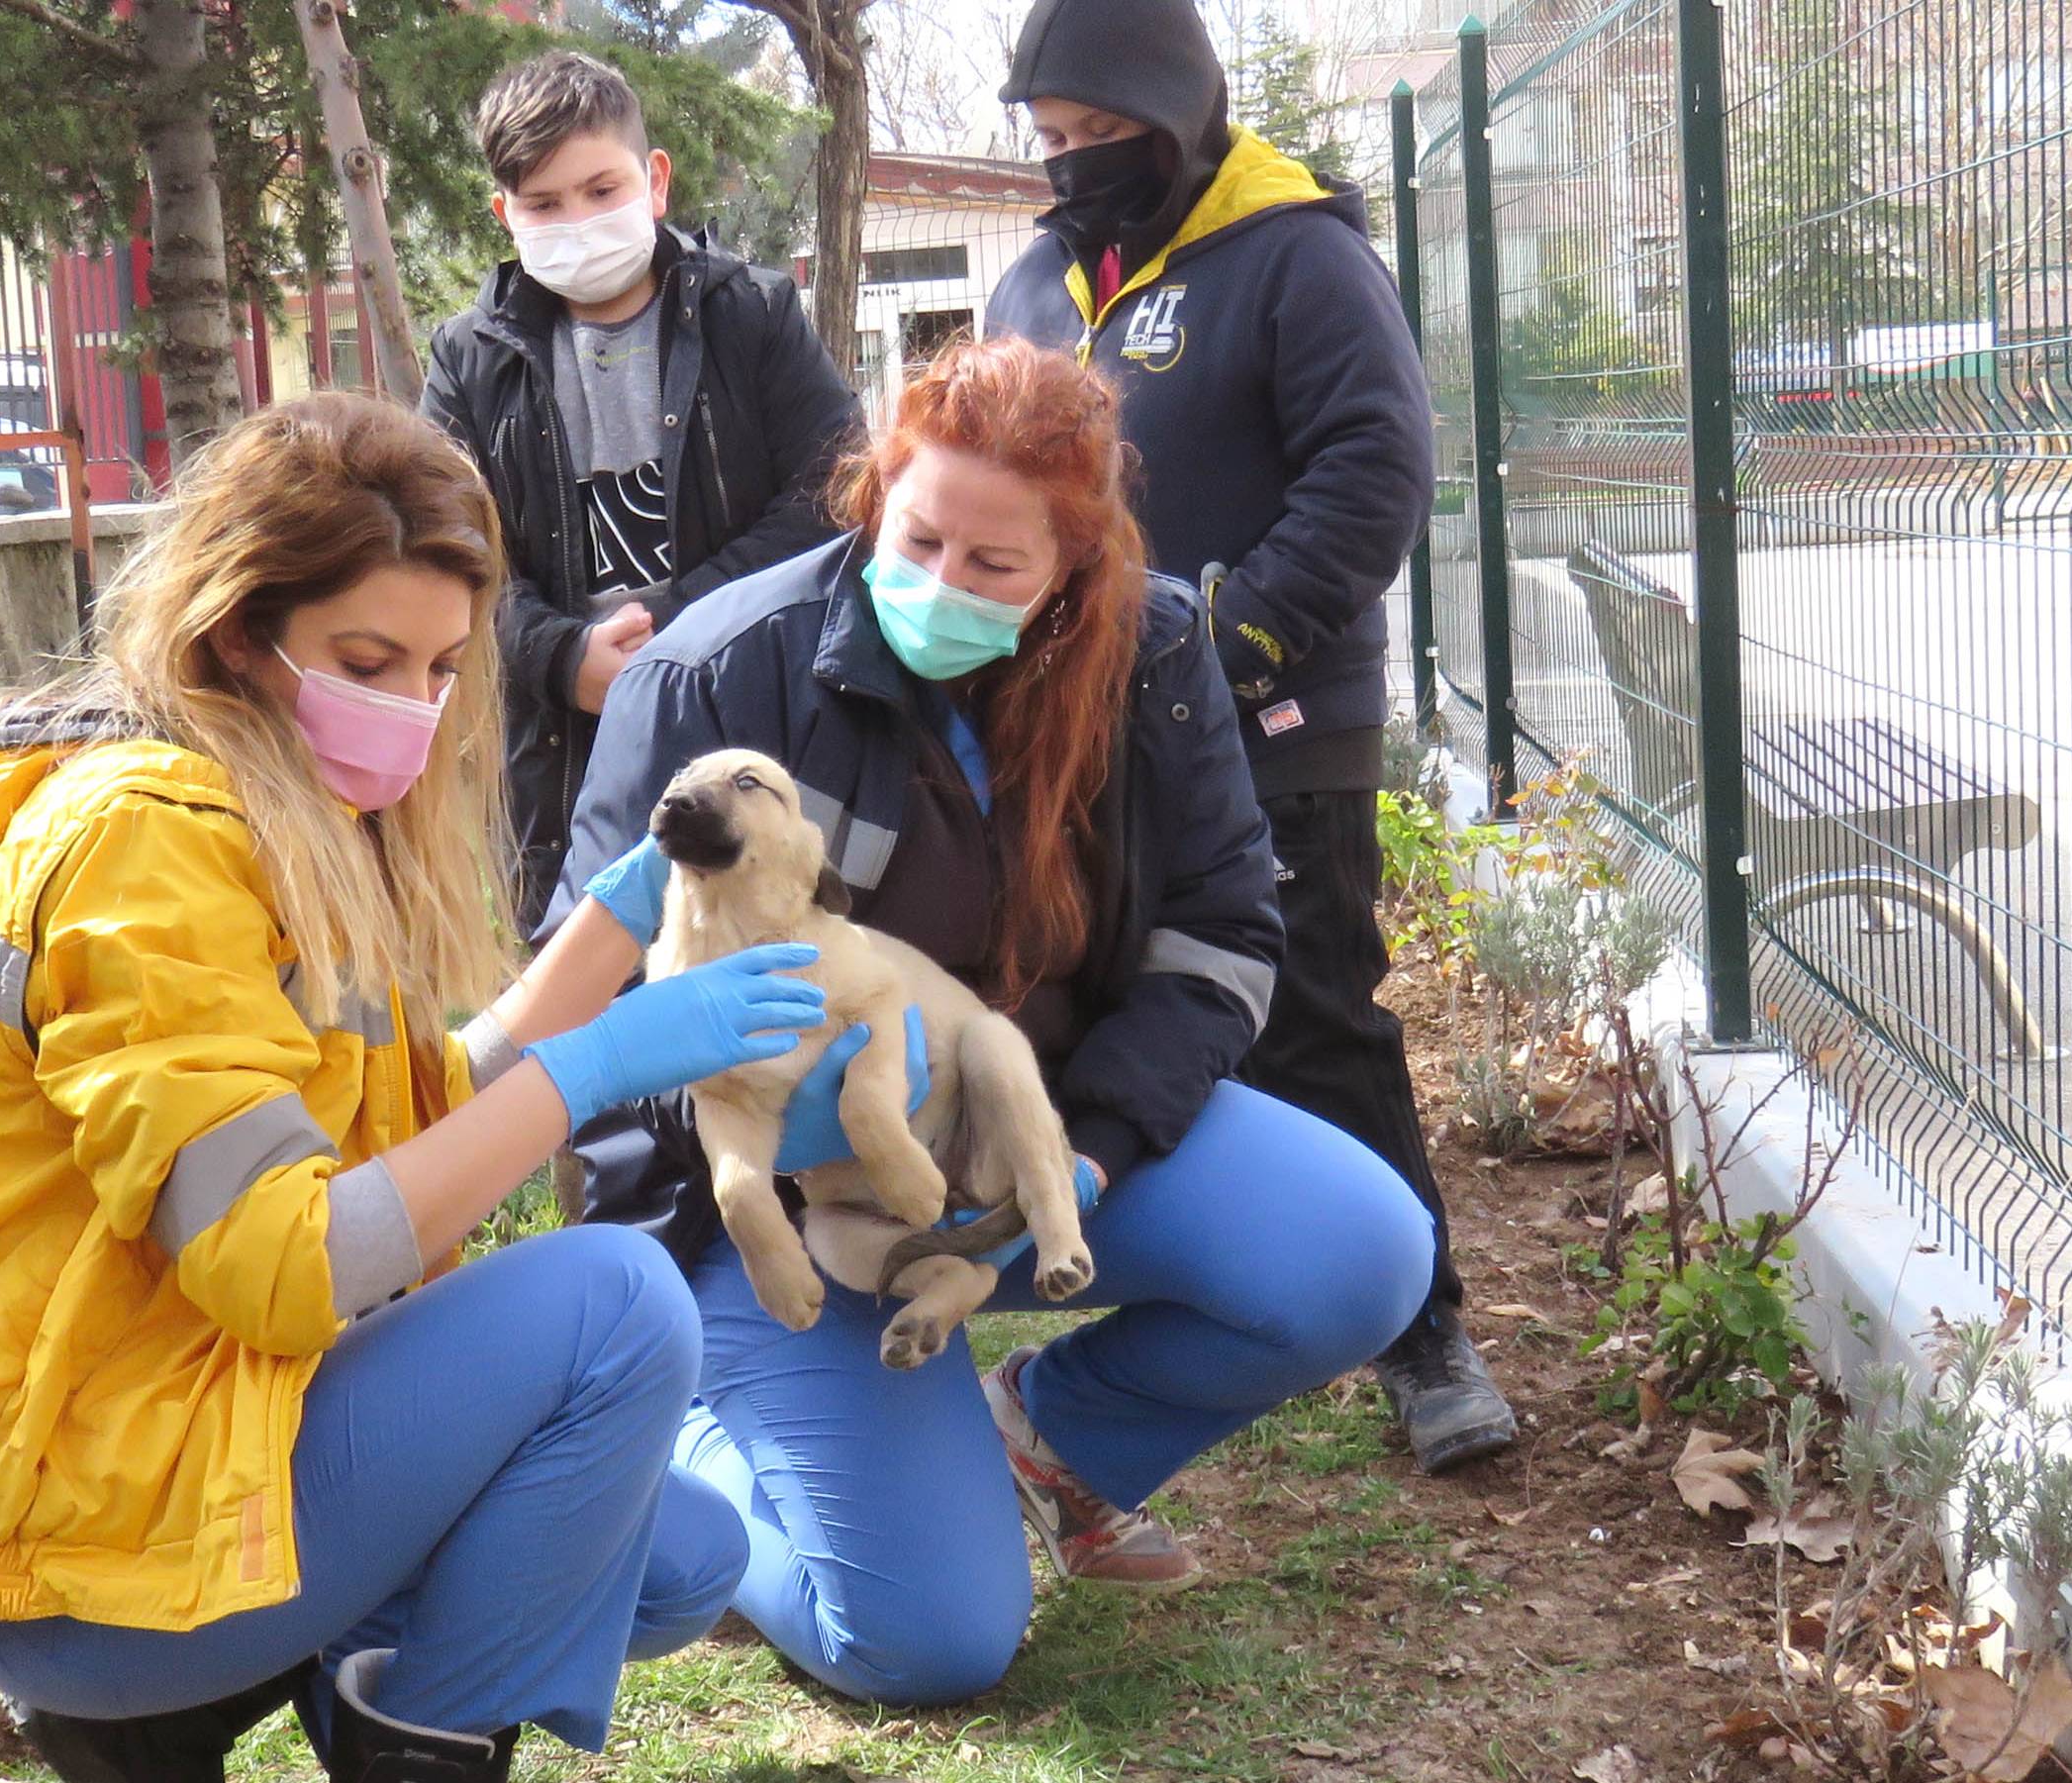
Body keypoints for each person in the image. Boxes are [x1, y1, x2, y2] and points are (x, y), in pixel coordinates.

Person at [0, 395, 915, 1782]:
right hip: (69, 1544)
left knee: (681, 1562)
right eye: (365, 657)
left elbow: (392, 1133)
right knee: (618, 1307)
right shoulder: (142, 841)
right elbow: (285, 1263)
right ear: (234, 632)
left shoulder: (285, 813)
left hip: (182, 1435)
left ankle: (312, 1694)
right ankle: (317, 1731)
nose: (412, 706)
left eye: (442, 665)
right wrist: (595, 1072)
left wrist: (614, 932)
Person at [549, 338, 1434, 1703]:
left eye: (991, 567)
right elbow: (593, 986)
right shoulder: (720, 672)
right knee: (927, 1640)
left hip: (1018, 1128)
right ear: (875, 495)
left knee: (1361, 1251)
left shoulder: (1152, 653)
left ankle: (1045, 1430)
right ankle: (685, 1462)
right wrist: (780, 1142)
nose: (937, 585)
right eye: (915, 539)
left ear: (1073, 567)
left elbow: (1223, 930)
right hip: (768, 1200)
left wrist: (1085, 1155)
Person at [980, 0, 1512, 1473]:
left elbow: (1374, 468)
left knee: (1314, 1012)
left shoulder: (1297, 255)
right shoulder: (1034, 284)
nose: (1077, 164)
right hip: (1087, 730)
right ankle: (1221, 1292)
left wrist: (1220, 646)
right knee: (1152, 1004)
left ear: (1179, 109)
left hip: (1274, 718)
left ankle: (1421, 1329)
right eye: (1053, 141)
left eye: (1103, 135)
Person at [423, 49, 866, 935]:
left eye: (600, 189)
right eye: (543, 204)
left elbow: (837, 490)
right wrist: (558, 654)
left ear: (655, 180)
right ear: (503, 213)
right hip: (559, 754)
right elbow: (441, 548)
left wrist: (680, 636)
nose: (577, 221)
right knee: (582, 989)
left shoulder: (755, 315)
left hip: (749, 715)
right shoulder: (465, 359)